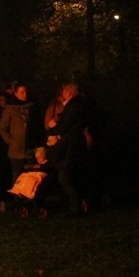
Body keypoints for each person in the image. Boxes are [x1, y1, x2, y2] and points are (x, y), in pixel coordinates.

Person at [46, 81, 91, 215]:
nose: (63, 94)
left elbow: (65, 125)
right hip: (74, 143)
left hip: (70, 146)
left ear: (69, 93)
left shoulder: (73, 106)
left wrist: (53, 128)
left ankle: (75, 206)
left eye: (64, 92)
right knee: (72, 176)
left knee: (64, 178)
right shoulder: (80, 105)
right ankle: (80, 203)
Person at [0, 83, 43, 183]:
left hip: (30, 149)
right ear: (16, 94)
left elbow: (37, 125)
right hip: (16, 150)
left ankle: (30, 197)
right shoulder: (10, 109)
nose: (25, 95)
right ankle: (18, 198)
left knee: (31, 177)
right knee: (18, 177)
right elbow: (2, 128)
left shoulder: (31, 107)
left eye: (25, 92)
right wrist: (11, 141)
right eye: (21, 92)